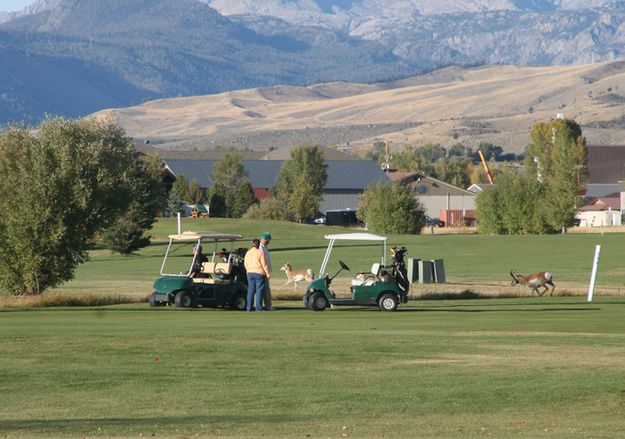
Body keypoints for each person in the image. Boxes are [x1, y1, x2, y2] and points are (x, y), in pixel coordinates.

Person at [244, 239, 270, 312]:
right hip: (259, 272)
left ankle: (249, 308)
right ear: (258, 244)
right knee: (259, 290)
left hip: (249, 272)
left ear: (252, 244)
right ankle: (258, 308)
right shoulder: (260, 252)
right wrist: (267, 273)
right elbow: (264, 264)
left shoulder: (248, 252)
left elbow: (245, 263)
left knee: (250, 290)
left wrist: (247, 270)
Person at [260, 231, 274, 310]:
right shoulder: (260, 247)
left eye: (268, 240)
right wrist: (266, 272)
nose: (268, 241)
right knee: (264, 289)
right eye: (267, 239)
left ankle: (267, 305)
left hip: (266, 271)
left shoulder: (264, 247)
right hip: (262, 272)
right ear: (262, 239)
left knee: (266, 289)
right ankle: (267, 306)